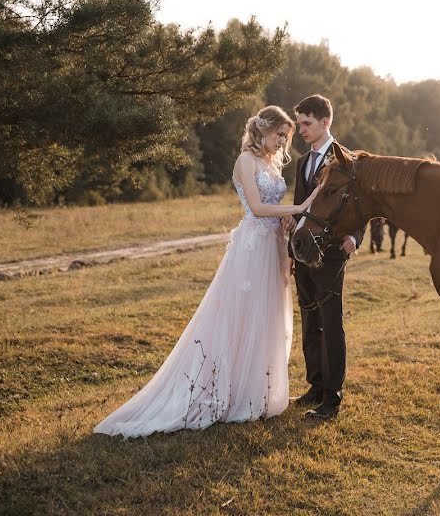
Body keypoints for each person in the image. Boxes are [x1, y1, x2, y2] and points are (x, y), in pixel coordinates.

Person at [94, 106, 319, 437]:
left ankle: (256, 391)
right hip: (252, 249)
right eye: (278, 135)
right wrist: (298, 207)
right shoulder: (245, 162)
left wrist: (287, 223)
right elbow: (256, 208)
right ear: (261, 131)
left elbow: (272, 212)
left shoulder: (272, 163)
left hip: (272, 246)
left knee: (266, 317)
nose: (283, 141)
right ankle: (226, 391)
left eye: (286, 136)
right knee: (241, 315)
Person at [282, 94, 364, 420]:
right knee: (310, 321)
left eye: (306, 123)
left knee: (331, 324)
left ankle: (332, 397)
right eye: (300, 123)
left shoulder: (346, 159)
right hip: (303, 254)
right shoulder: (303, 162)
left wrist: (355, 238)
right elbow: (301, 212)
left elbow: (360, 206)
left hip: (330, 254)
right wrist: (291, 251)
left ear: (324, 122)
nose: (300, 129)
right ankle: (314, 386)